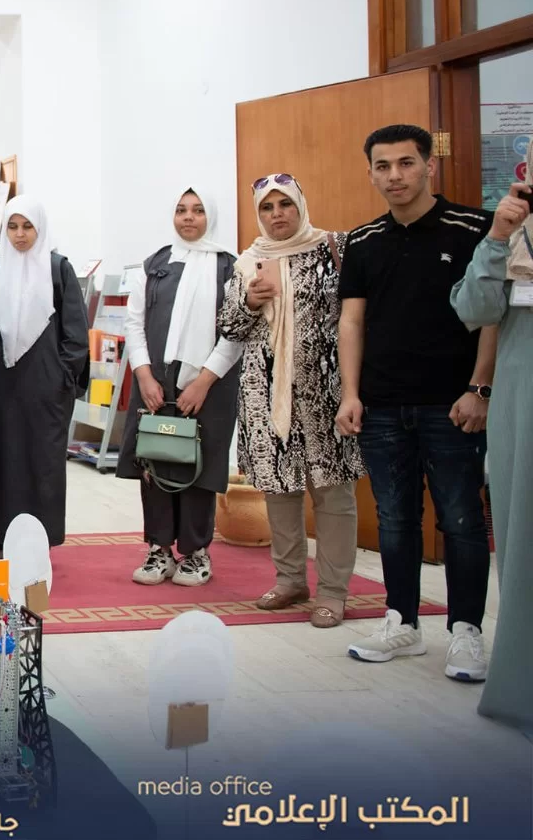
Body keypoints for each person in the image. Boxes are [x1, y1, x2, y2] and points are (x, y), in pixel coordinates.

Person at [339, 125, 495, 679]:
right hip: (381, 405)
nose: (395, 176)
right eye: (383, 166)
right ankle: (402, 622)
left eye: (406, 163)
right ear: (371, 173)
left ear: (429, 165)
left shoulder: (475, 228)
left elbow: (492, 316)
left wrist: (479, 388)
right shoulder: (362, 241)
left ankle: (466, 632)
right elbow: (352, 322)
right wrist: (351, 393)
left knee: (461, 518)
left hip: (452, 405)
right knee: (395, 518)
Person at [219, 174, 363, 629]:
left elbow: (358, 317)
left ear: (300, 205)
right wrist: (248, 301)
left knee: (333, 492)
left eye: (285, 204)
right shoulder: (248, 262)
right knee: (279, 490)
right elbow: (229, 327)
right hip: (264, 392)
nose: (277, 213)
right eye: (267, 206)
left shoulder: (335, 249)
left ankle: (333, 591)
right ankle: (290, 581)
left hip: (327, 391)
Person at [118, 189, 243, 587]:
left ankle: (195, 552)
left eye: (199, 210)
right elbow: (134, 323)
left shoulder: (230, 268)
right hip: (155, 382)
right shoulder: (154, 264)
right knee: (154, 461)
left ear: (212, 216)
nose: (189, 217)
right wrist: (143, 375)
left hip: (208, 386)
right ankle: (159, 549)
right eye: (182, 210)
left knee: (198, 465)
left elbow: (235, 332)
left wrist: (204, 381)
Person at [450, 183, 531, 728]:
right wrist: (499, 234)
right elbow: (473, 308)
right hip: (522, 395)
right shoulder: (512, 233)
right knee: (522, 540)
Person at [0, 196, 88, 553]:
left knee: (42, 461)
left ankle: (41, 537)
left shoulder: (58, 267)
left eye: (27, 226)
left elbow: (76, 330)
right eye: (12, 226)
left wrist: (62, 377)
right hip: (2, 380)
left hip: (46, 383)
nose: (20, 234)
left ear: (40, 228)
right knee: (1, 457)